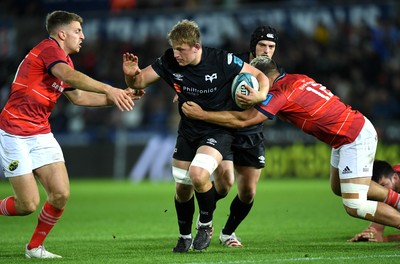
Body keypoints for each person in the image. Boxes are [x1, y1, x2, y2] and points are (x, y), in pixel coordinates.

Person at [182, 55, 400, 235]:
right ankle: (396, 200)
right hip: (345, 135)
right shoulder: (297, 79)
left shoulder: (281, 93)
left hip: (353, 136)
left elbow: (244, 120)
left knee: (354, 205)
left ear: (262, 77)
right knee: (338, 187)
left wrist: (203, 114)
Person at [122, 19, 270, 252]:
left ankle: (205, 224)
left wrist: (259, 95)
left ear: (196, 47)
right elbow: (139, 81)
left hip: (218, 130)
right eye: (174, 48)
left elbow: (261, 77)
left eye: (181, 49)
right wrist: (131, 75)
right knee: (182, 187)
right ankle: (184, 236)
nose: (176, 54)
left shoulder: (221, 60)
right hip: (188, 130)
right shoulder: (169, 60)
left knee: (199, 175)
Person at [0, 11, 135, 259]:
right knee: (27, 205)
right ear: (62, 34)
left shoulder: (64, 61)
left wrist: (116, 98)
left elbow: (78, 97)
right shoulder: (50, 50)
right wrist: (109, 88)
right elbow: (68, 76)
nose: (83, 36)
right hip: (14, 132)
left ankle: (34, 248)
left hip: (40, 132)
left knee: (60, 194)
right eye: (77, 31)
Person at [215, 25, 279, 247]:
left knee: (248, 192)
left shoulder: (274, 73)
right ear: (253, 45)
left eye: (271, 46)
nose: (266, 50)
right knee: (224, 185)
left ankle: (227, 234)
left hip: (251, 133)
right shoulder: (234, 63)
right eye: (262, 45)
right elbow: (208, 80)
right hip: (224, 129)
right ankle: (205, 218)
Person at [349, 160, 400, 242]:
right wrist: (370, 234)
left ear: (395, 178)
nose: (379, 192)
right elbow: (377, 229)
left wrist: (386, 238)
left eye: (383, 185)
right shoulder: (389, 178)